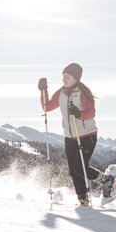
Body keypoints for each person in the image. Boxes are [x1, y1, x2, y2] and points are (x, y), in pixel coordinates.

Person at [43, 62, 103, 206]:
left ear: (76, 77)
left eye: (67, 76)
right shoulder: (61, 92)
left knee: (79, 168)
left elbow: (91, 112)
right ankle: (83, 199)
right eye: (63, 76)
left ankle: (105, 179)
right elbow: (47, 107)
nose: (64, 79)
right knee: (73, 171)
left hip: (86, 135)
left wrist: (78, 113)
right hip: (70, 137)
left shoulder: (82, 92)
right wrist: (43, 90)